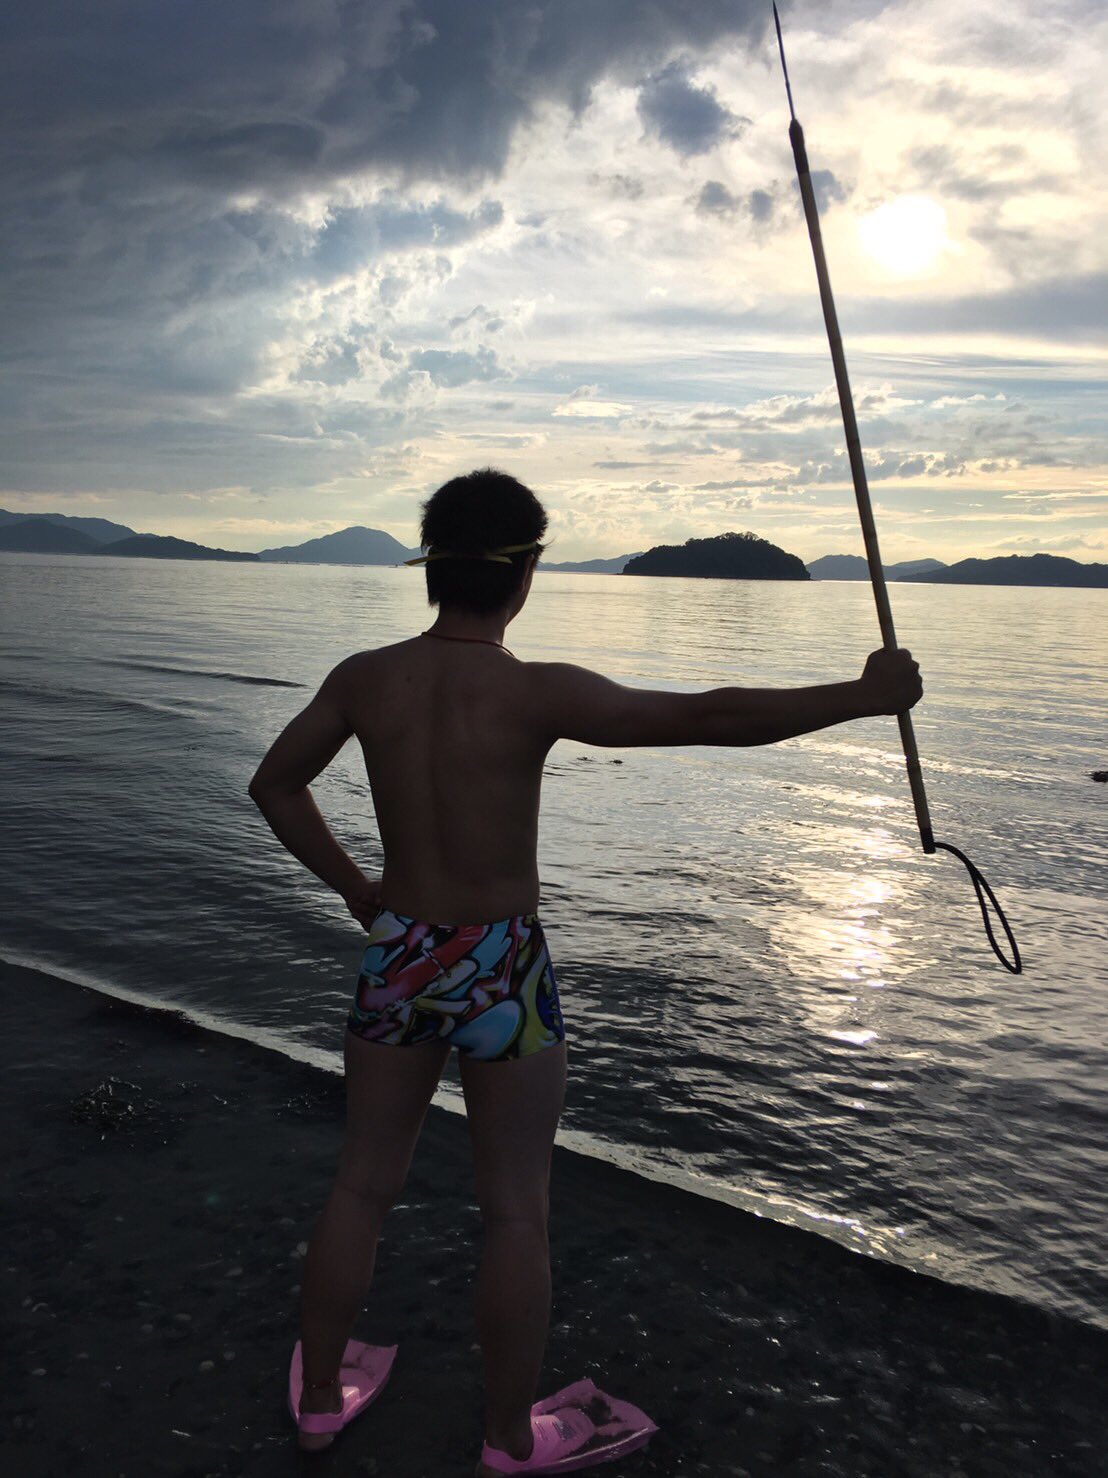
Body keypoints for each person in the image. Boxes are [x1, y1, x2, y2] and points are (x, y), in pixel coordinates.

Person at [247, 467, 923, 1473]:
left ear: (431, 567)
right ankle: (509, 1438)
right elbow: (710, 715)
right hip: (502, 964)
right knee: (516, 1208)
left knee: (361, 1185)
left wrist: (356, 889)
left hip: (400, 954)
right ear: (524, 573)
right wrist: (863, 698)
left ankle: (316, 1402)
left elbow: (276, 784)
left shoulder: (364, 678)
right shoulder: (536, 691)